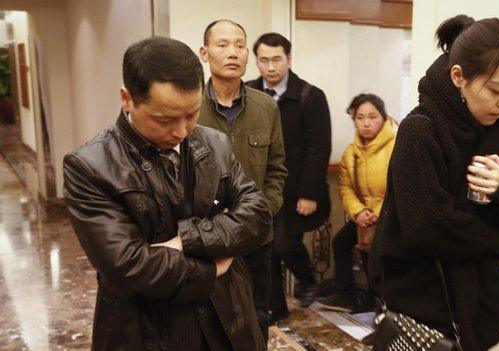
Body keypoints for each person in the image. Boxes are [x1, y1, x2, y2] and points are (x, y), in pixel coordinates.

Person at [63, 37, 270, 350]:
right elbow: (128, 267)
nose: (181, 132)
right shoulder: (89, 166)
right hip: (147, 329)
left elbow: (257, 215)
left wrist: (187, 240)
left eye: (191, 114)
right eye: (164, 119)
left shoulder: (214, 143)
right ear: (127, 98)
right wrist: (214, 264)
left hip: (228, 318)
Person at [369, 15, 499, 351]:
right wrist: (495, 244)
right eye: (496, 89)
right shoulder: (421, 130)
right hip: (422, 301)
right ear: (459, 77)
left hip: (482, 299)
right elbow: (426, 226)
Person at [197, 20, 288, 342]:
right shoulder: (190, 109)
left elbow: (277, 169)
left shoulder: (266, 107)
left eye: (239, 45)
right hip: (204, 240)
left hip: (255, 236)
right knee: (206, 320)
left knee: (257, 312)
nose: (232, 53)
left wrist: (265, 210)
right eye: (222, 45)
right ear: (205, 53)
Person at [246, 32, 331, 321]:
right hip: (257, 189)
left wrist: (309, 193)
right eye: (264, 60)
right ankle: (275, 306)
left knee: (283, 244)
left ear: (289, 59)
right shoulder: (247, 93)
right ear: (256, 61)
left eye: (277, 60)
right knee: (264, 249)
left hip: (295, 191)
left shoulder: (310, 96)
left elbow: (319, 148)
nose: (270, 67)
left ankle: (308, 280)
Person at [316, 94, 395, 313]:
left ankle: (383, 308)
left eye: (372, 116)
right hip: (364, 217)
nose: (366, 123)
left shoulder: (396, 146)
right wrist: (358, 211)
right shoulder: (352, 152)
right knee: (341, 243)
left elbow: (399, 186)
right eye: (360, 117)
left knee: (378, 260)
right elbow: (345, 187)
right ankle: (347, 297)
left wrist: (377, 213)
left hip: (390, 217)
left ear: (383, 117)